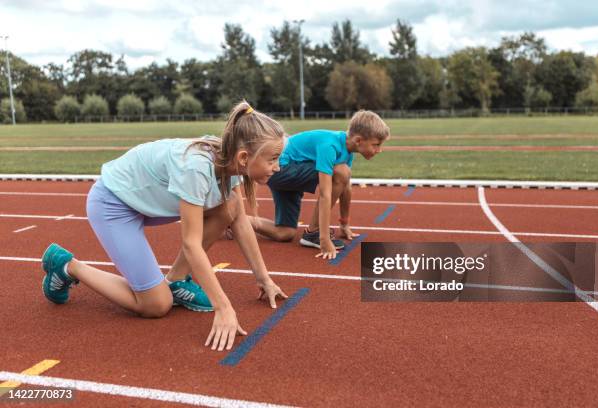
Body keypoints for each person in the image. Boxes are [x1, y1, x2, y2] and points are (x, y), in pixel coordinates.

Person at [41, 101, 288, 351]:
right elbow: (191, 244)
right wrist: (223, 307)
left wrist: (264, 279)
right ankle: (67, 265)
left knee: (230, 206)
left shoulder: (232, 159)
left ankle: (177, 280)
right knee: (156, 305)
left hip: (146, 203)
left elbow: (239, 220)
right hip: (113, 205)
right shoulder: (197, 168)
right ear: (244, 157)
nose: (277, 167)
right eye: (273, 159)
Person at [249, 110, 390, 260]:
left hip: (289, 175)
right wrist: (325, 240)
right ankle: (313, 233)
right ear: (358, 140)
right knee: (341, 171)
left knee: (285, 233)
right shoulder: (330, 145)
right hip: (279, 170)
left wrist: (344, 224)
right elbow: (325, 194)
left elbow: (345, 188)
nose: (379, 150)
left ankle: (237, 221)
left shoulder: (347, 151)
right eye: (376, 145)